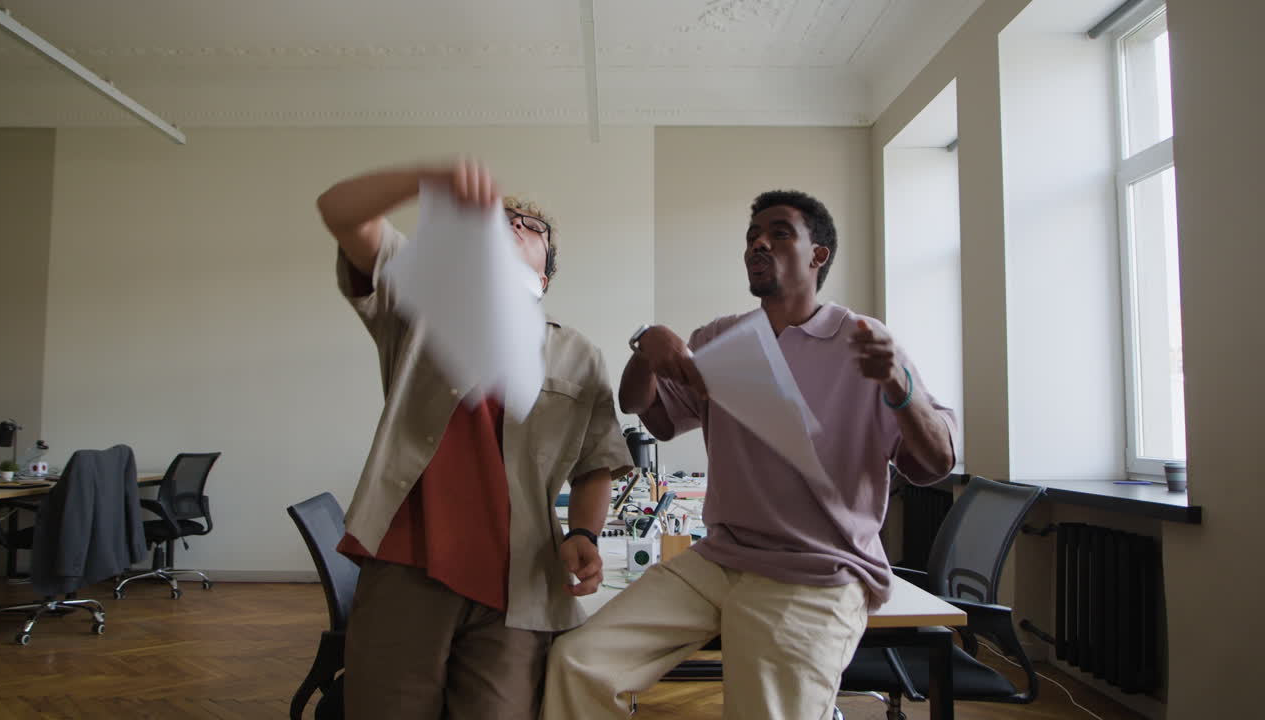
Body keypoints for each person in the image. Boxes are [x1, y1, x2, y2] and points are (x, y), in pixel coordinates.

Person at [542, 189, 958, 720]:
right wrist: (645, 348)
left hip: (816, 570)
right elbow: (651, 414)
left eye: (779, 232)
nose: (758, 243)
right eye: (752, 236)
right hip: (720, 557)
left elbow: (937, 460)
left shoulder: (863, 340)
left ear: (818, 255)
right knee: (578, 661)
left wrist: (900, 390)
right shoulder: (721, 338)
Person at [316, 158, 633, 720]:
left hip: (520, 583)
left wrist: (584, 530)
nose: (513, 226)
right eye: (501, 219)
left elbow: (597, 462)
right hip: (407, 562)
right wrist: (427, 180)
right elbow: (341, 212)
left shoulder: (579, 354)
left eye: (531, 227)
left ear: (548, 274)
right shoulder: (419, 304)